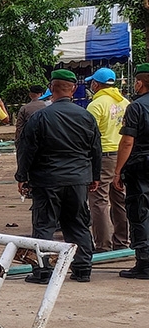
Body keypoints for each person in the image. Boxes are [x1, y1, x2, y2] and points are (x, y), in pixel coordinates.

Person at [15, 69, 103, 283]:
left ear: (51, 89)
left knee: (44, 225)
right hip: (78, 179)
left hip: (47, 179)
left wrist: (22, 176)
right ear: (73, 89)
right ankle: (82, 269)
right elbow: (95, 149)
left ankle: (43, 271)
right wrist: (95, 176)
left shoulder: (40, 117)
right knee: (78, 224)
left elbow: (27, 149)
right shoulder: (86, 117)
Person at [85, 67, 131, 252]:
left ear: (96, 84)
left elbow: (88, 134)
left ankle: (103, 244)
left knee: (98, 200)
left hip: (103, 156)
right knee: (120, 199)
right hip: (123, 155)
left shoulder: (96, 105)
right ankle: (122, 242)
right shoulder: (126, 103)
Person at [114, 64, 149, 279]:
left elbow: (127, 141)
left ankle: (144, 263)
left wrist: (118, 171)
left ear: (139, 82)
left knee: (140, 212)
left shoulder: (136, 107)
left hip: (141, 165)